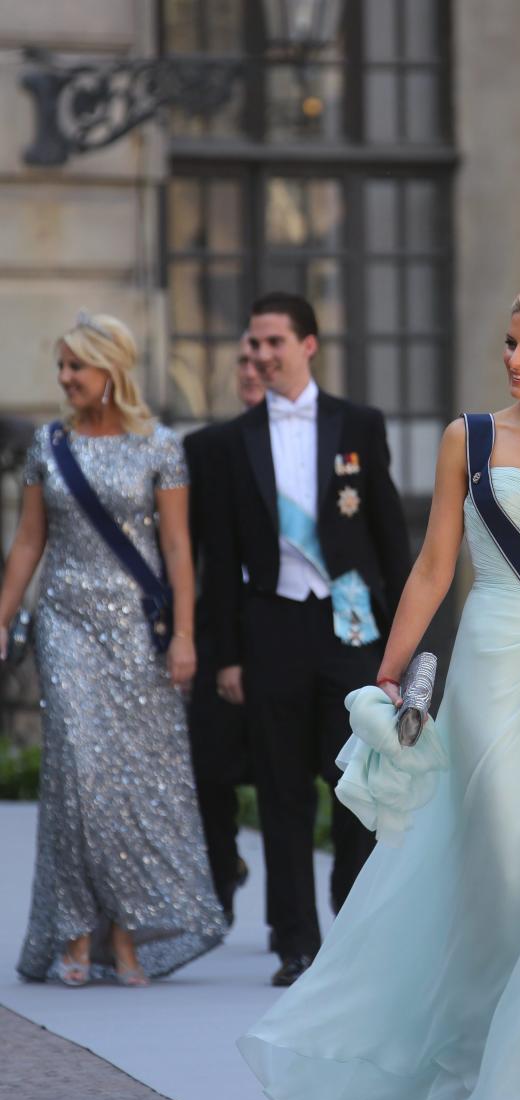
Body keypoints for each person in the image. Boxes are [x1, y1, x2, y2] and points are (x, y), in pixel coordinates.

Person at [238, 268, 520, 1100]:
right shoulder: (466, 439)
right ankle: (477, 1063)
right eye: (509, 344)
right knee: (503, 867)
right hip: (493, 668)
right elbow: (435, 568)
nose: (514, 359)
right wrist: (392, 673)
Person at [0, 311, 226, 987]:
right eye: (62, 366)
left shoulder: (160, 446)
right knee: (77, 772)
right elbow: (28, 543)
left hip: (136, 630)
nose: (65, 378)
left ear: (112, 370)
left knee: (133, 785)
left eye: (77, 366)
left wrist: (185, 634)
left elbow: (180, 548)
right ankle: (72, 932)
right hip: (65, 622)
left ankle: (124, 936)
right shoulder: (47, 444)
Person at [207, 292, 411, 986]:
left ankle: (351, 931)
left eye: (273, 343)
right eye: (254, 344)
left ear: (308, 345)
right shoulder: (230, 443)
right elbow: (220, 559)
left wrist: (404, 640)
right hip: (271, 628)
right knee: (281, 790)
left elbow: (388, 534)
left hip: (350, 623)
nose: (262, 355)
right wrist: (227, 655)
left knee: (354, 783)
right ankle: (295, 942)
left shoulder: (359, 422)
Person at [184, 333, 264, 925]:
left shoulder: (319, 444)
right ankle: (220, 871)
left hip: (288, 627)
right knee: (210, 764)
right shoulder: (205, 448)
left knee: (285, 768)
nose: (250, 368)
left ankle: (297, 923)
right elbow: (182, 547)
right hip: (217, 628)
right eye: (240, 358)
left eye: (261, 356)